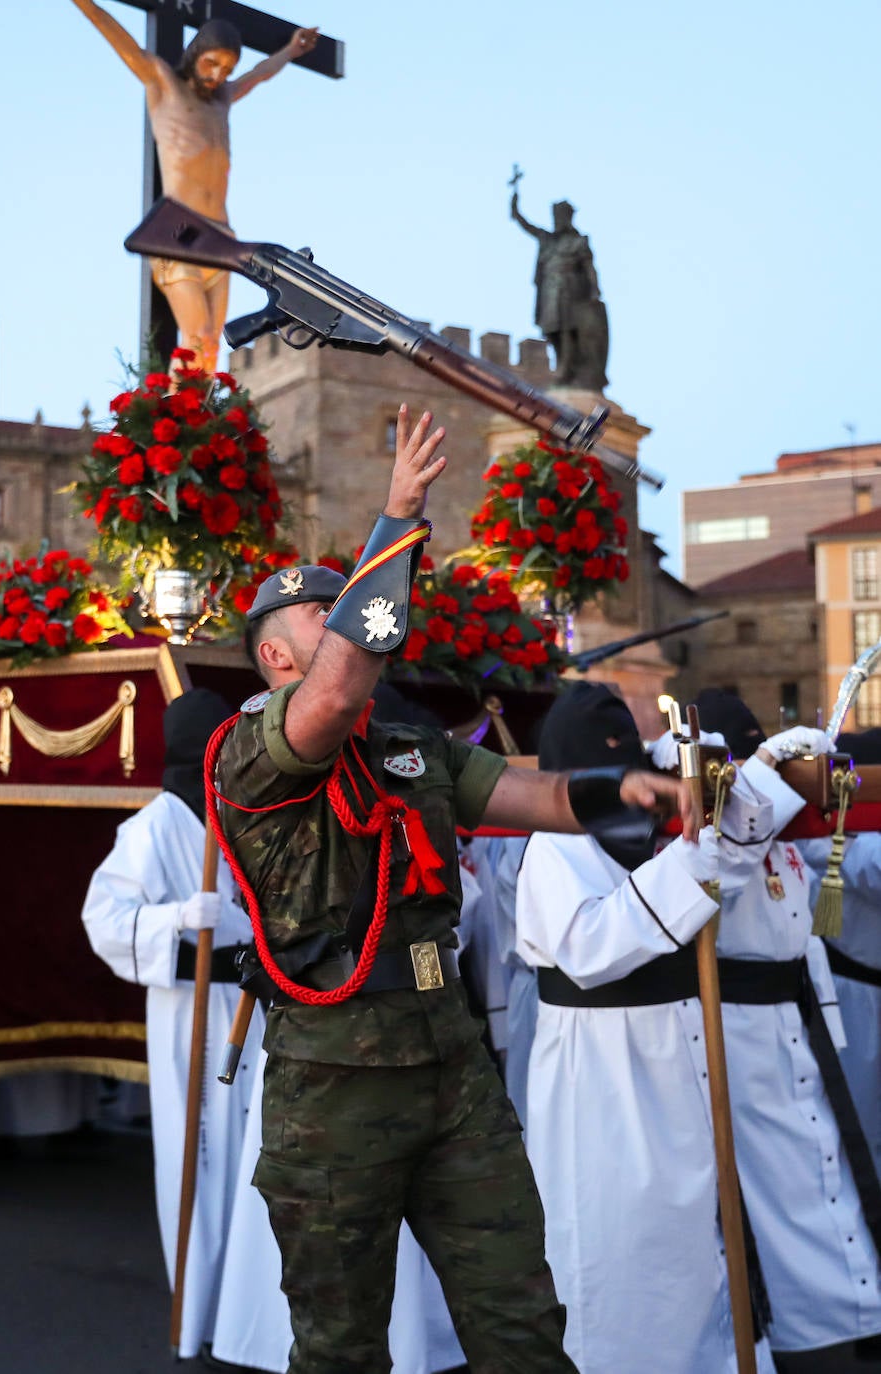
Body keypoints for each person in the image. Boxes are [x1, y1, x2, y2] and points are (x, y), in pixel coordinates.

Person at [211, 403, 695, 1374]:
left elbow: (531, 795)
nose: (344, 618)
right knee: (341, 1346)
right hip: (334, 1080)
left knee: (520, 1325)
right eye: (323, 609)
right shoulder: (252, 751)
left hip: (450, 1067)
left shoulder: (405, 748)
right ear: (274, 655)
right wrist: (394, 523)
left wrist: (627, 789)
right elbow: (341, 688)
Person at [516, 682, 779, 1374]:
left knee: (691, 1234)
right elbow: (592, 950)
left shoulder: (655, 835)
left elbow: (732, 866)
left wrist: (731, 789)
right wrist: (692, 862)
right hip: (602, 1075)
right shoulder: (553, 846)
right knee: (616, 1242)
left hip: (676, 1055)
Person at [693, 689, 881, 1372]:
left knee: (828, 1163)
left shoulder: (788, 837)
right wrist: (765, 773)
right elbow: (716, 883)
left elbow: (805, 931)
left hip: (797, 1017)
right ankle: (795, 1328)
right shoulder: (713, 828)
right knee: (768, 1186)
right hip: (737, 1027)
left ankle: (852, 1311)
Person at [81, 688, 269, 1362]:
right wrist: (176, 920)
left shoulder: (248, 813)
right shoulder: (153, 827)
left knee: (259, 1157)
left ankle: (256, 1310)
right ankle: (199, 1310)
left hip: (256, 1005)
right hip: (190, 1004)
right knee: (203, 1153)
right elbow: (102, 920)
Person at [70, 1, 318, 373]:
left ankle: (198, 427)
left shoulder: (222, 100)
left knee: (210, 349)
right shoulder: (163, 83)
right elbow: (120, 40)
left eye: (226, 69)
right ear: (195, 54)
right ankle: (174, 424)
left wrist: (292, 49)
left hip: (220, 237)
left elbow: (260, 73)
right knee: (197, 334)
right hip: (178, 232)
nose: (218, 75)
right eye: (211, 63)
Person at [797, 729, 881, 1179]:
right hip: (852, 996)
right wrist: (844, 839)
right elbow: (871, 868)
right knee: (861, 1121)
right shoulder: (824, 836)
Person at [510, 190, 609, 391]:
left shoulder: (578, 242)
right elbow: (526, 225)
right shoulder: (548, 240)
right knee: (552, 331)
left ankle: (566, 370)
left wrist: (594, 289)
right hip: (550, 292)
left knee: (568, 330)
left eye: (560, 216)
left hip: (571, 291)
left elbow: (589, 268)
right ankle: (561, 366)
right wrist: (515, 206)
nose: (557, 220)